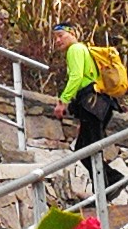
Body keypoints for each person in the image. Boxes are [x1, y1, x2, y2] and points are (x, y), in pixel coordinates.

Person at [51, 24, 121, 172]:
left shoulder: (75, 49)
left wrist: (63, 102)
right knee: (86, 150)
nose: (57, 40)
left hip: (92, 104)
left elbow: (76, 77)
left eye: (60, 35)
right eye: (55, 37)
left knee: (88, 151)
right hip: (98, 104)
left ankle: (113, 182)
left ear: (73, 34)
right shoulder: (83, 49)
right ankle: (108, 186)